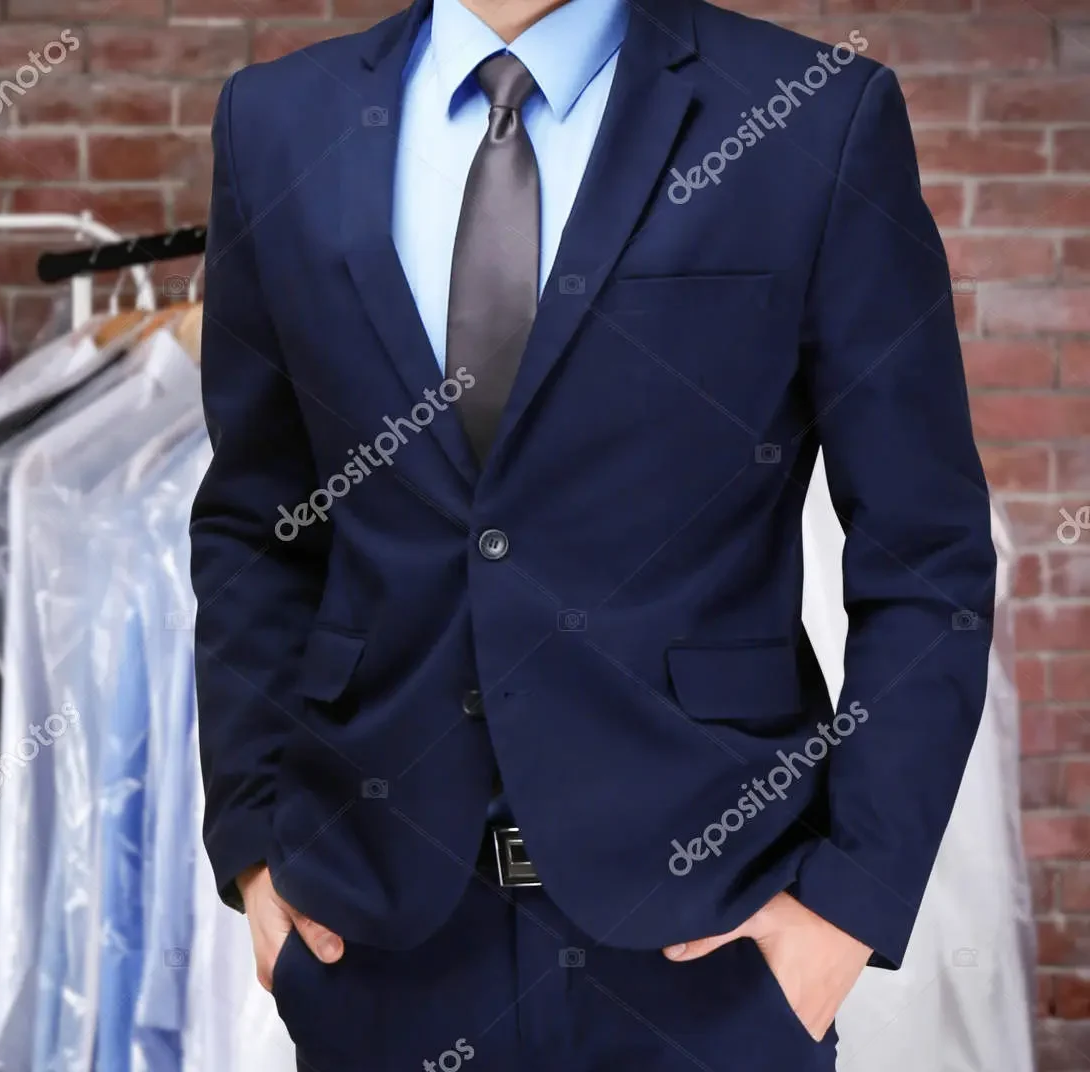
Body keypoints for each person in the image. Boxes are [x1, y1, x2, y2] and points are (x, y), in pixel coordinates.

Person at [189, 0, 997, 1065]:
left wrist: (845, 909)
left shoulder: (808, 116)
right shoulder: (277, 122)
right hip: (376, 944)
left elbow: (925, 548)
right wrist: (252, 846)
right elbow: (257, 520)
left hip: (705, 951)